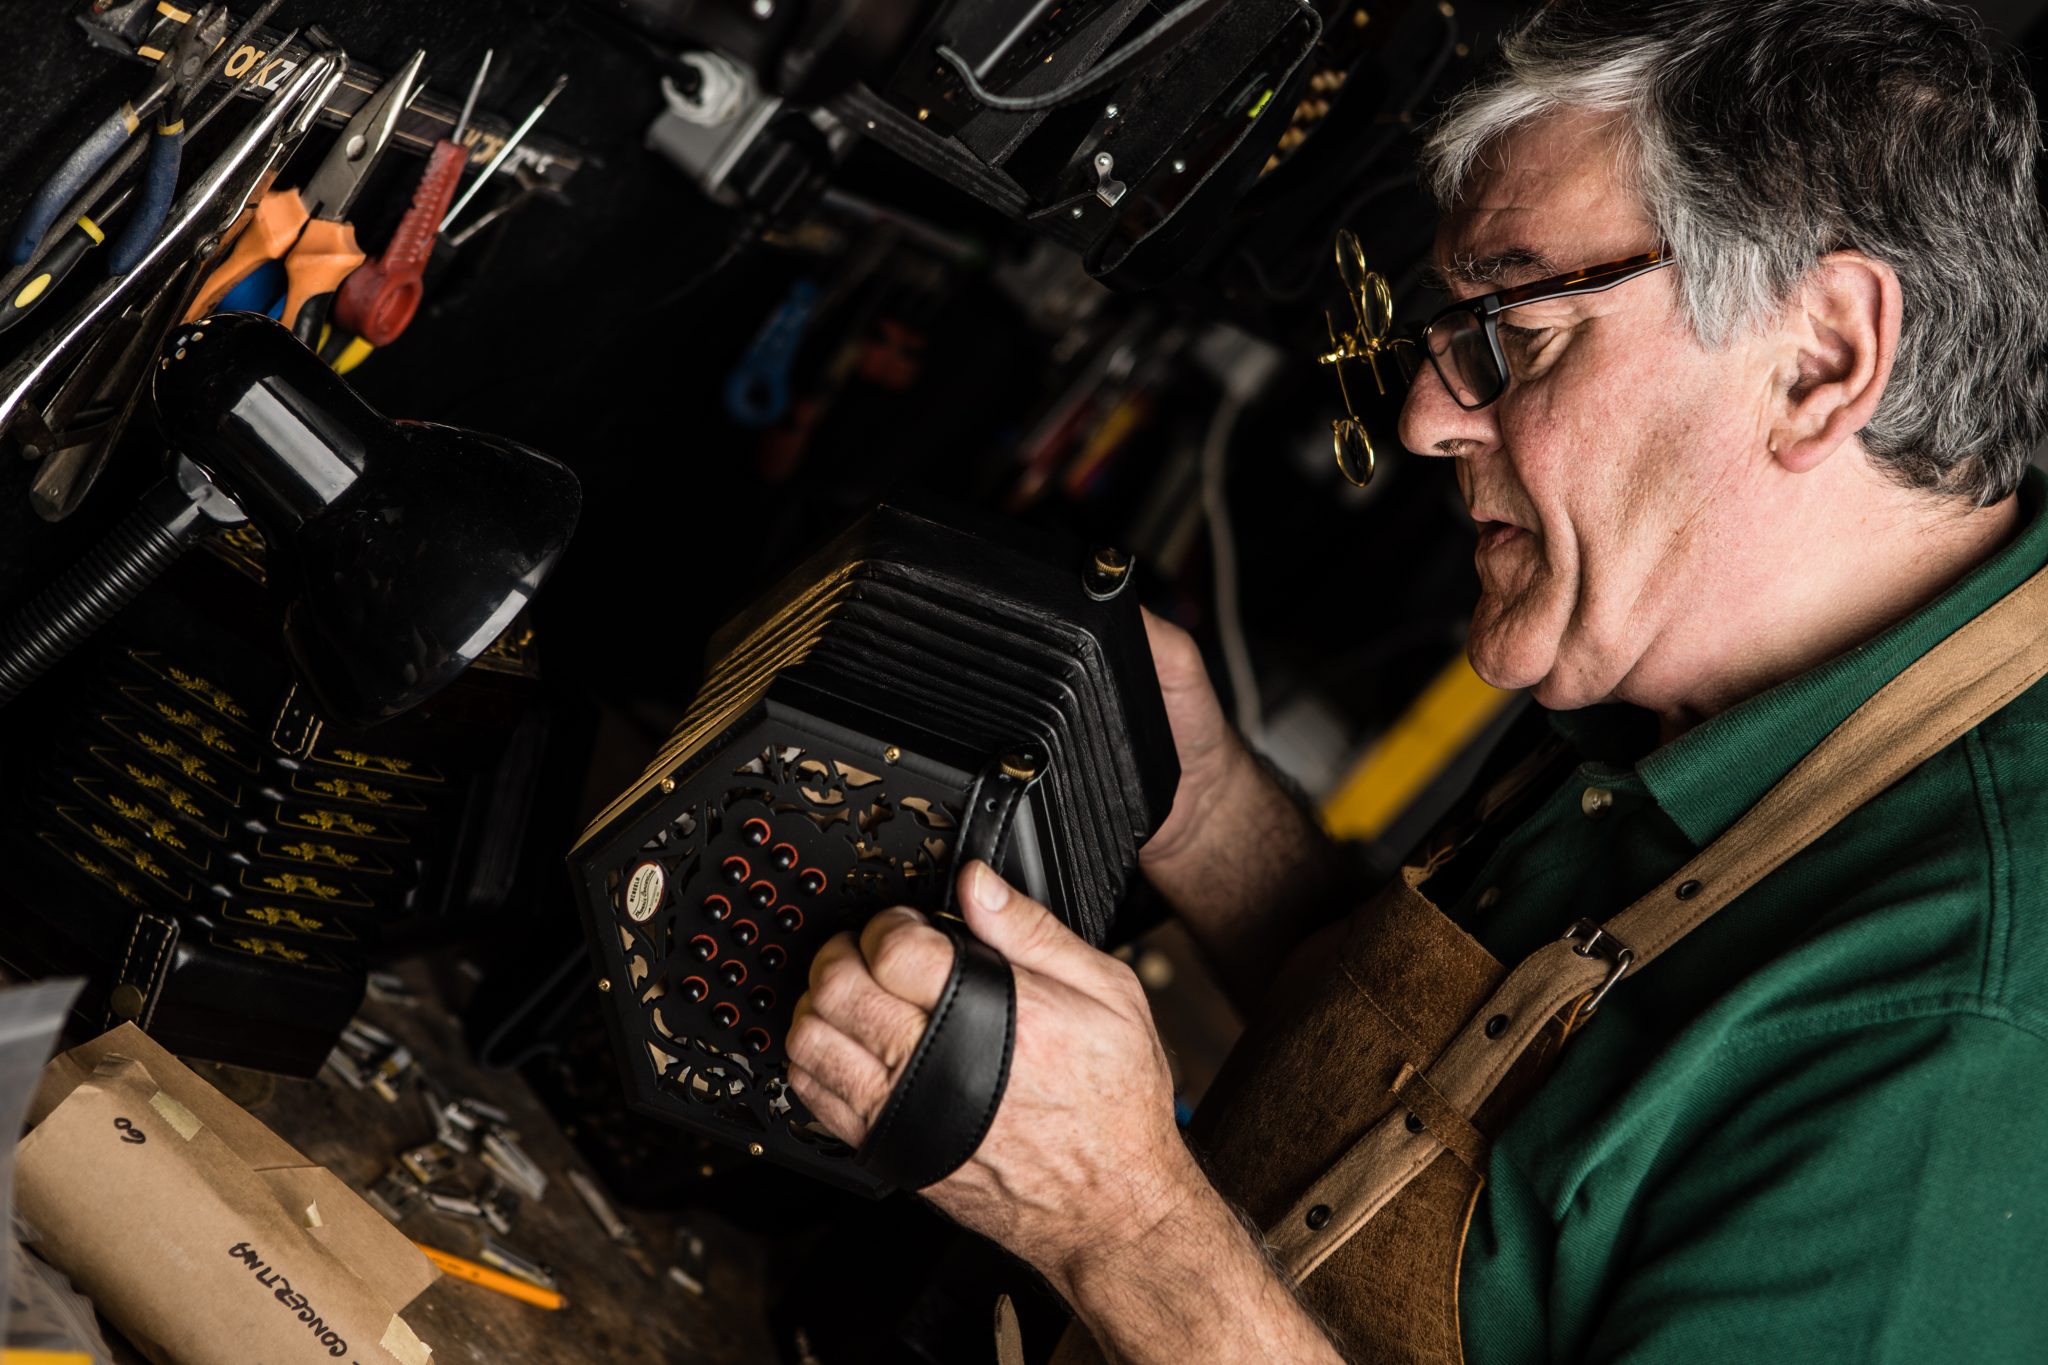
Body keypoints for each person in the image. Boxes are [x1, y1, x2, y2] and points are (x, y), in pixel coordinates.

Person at [785, 1, 2048, 1359]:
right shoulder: (1699, 670)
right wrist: (1201, 805)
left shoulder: (1966, 1029)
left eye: (1513, 330)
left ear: (1822, 361)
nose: (1429, 415)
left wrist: (1122, 1221)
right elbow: (1483, 1112)